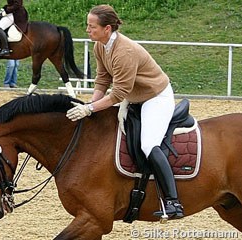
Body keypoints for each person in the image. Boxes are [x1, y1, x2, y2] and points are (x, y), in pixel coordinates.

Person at [66, 4, 184, 219]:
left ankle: (173, 202)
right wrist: (89, 107)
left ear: (107, 29)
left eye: (91, 26)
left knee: (148, 144)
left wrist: (89, 108)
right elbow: (102, 80)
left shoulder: (124, 51)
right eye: (87, 25)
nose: (87, 30)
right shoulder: (100, 46)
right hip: (134, 97)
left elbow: (118, 94)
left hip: (154, 96)